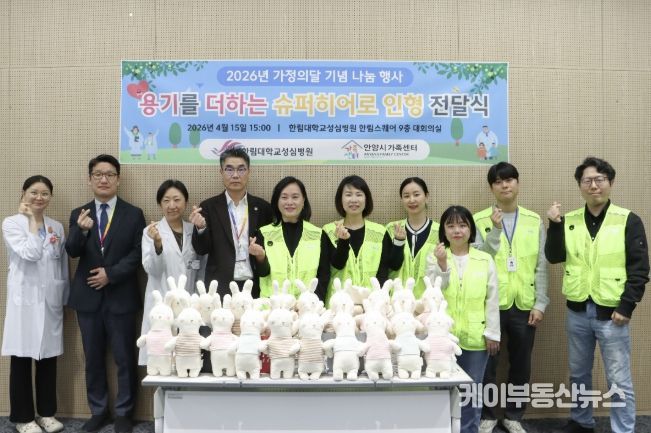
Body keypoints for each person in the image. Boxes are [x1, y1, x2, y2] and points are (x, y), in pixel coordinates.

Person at [545, 157, 648, 433]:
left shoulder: (628, 220)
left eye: (600, 179)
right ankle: (581, 422)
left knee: (619, 378)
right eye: (587, 181)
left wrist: (626, 306)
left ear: (610, 183)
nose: (594, 186)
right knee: (579, 373)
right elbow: (553, 256)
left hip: (613, 313)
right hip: (577, 310)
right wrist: (554, 225)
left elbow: (640, 268)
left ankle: (623, 429)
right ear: (580, 185)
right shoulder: (569, 220)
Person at [65, 154, 146, 433]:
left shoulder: (133, 214)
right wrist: (80, 231)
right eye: (98, 174)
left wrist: (110, 274)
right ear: (89, 180)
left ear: (118, 179)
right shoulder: (80, 213)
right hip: (88, 298)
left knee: (124, 358)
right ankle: (98, 411)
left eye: (109, 174)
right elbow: (72, 251)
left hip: (121, 296)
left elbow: (138, 253)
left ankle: (124, 413)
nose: (103, 179)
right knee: (93, 358)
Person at [474, 162, 549, 433]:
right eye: (498, 181)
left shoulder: (533, 220)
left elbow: (541, 264)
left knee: (520, 364)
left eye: (509, 180)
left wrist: (540, 303)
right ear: (491, 187)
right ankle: (486, 415)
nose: (504, 185)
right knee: (487, 365)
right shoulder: (479, 220)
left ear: (517, 183)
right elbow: (477, 260)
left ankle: (514, 415)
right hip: (490, 304)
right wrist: (494, 231)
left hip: (525, 304)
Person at [2, 176, 68, 433]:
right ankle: (23, 418)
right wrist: (32, 221)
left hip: (49, 299)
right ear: (23, 193)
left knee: (48, 357)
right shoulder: (12, 223)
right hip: (25, 301)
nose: (39, 197)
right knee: (21, 358)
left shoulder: (56, 227)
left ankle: (47, 414)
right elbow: (31, 253)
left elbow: (61, 265)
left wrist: (63, 298)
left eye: (45, 193)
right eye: (34, 192)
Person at [426, 205, 500, 433]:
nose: (457, 230)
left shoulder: (484, 259)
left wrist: (492, 333)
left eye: (462, 225)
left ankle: (469, 430)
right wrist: (442, 265)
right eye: (450, 225)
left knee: (471, 392)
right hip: (442, 338)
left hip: (476, 338)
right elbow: (433, 293)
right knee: (440, 389)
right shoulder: (435, 256)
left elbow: (492, 298)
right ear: (444, 231)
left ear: (470, 229)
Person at [190, 147, 273, 298]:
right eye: (229, 169)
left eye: (241, 169)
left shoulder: (263, 208)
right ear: (221, 172)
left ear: (249, 172)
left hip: (254, 285)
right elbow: (201, 250)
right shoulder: (208, 207)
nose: (235, 175)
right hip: (220, 286)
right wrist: (201, 227)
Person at [139, 179, 204, 365]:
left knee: (187, 359)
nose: (172, 205)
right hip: (161, 305)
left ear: (185, 202)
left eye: (177, 199)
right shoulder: (150, 232)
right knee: (161, 361)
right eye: (166, 200)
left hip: (189, 306)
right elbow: (152, 269)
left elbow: (201, 267)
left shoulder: (194, 230)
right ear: (160, 203)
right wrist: (157, 244)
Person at [323, 175, 403, 305]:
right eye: (348, 195)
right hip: (340, 305)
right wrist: (343, 241)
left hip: (373, 304)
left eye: (359, 194)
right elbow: (336, 265)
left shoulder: (379, 232)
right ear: (340, 199)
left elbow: (388, 269)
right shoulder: (329, 231)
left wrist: (380, 300)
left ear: (366, 199)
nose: (354, 200)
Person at [250, 176, 331, 300]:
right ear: (277, 201)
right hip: (273, 306)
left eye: (295, 197)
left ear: (303, 201)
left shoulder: (318, 234)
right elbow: (262, 274)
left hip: (307, 306)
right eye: (284, 197)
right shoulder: (264, 233)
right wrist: (260, 257)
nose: (289, 202)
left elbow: (324, 275)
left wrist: (312, 302)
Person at [386, 177, 439, 298]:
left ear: (426, 196)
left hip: (428, 301)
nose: (412, 200)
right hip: (397, 300)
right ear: (401, 199)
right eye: (406, 196)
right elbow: (388, 266)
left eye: (416, 194)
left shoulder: (440, 231)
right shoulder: (391, 229)